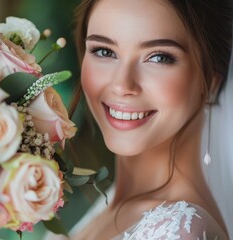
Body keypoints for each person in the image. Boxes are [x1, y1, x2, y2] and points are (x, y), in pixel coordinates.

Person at [45, 0, 233, 239]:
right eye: (104, 51)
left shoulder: (181, 231)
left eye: (159, 57)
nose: (123, 85)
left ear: (211, 80)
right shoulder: (112, 203)